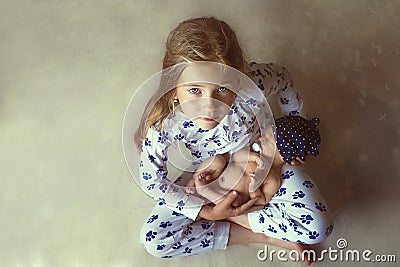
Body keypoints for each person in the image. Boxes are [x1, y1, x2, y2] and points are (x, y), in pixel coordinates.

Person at [135, 17, 333, 265]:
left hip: (264, 156)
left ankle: (237, 215)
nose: (210, 105)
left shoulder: (254, 84)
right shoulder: (165, 123)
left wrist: (294, 130)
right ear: (174, 86)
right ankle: (262, 236)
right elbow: (151, 180)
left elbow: (284, 80)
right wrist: (207, 211)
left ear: (238, 78)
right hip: (207, 172)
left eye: (222, 89)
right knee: (155, 240)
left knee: (318, 226)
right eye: (194, 90)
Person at [185, 116, 321, 208]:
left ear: (282, 152)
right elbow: (236, 157)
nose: (261, 139)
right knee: (217, 160)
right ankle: (194, 180)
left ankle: (205, 191)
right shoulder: (254, 152)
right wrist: (253, 157)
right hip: (215, 176)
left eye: (267, 139)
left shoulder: (273, 178)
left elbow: (261, 202)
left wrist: (254, 189)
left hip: (224, 196)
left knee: (236, 201)